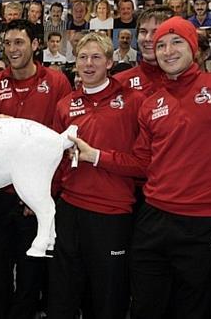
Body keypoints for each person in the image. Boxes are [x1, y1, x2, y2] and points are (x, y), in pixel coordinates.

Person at [71, 16, 211, 319]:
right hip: (153, 218)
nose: (167, 51)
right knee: (145, 304)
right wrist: (95, 156)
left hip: (204, 221)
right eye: (161, 45)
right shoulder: (151, 104)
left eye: (176, 42)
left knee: (195, 308)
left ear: (194, 47)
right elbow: (141, 163)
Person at [0, 19, 72, 318]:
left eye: (19, 42)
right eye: (7, 44)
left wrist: (46, 193)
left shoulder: (57, 83)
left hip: (35, 197)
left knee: (31, 278)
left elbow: (62, 143)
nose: (12, 49)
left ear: (35, 44)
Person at [48, 32, 144, 319]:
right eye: (82, 57)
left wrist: (98, 157)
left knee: (107, 300)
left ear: (110, 62)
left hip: (112, 213)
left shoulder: (134, 102)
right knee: (63, 295)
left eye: (96, 57)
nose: (88, 64)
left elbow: (144, 164)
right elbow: (56, 161)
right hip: (69, 210)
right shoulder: (65, 104)